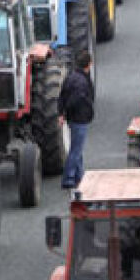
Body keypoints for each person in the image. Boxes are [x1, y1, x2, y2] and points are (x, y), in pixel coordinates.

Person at [59, 50, 94, 189]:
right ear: (89, 64)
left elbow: (62, 96)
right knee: (76, 150)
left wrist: (62, 112)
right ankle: (68, 178)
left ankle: (80, 176)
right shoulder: (82, 82)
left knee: (77, 148)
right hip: (80, 118)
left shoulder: (70, 77)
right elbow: (78, 98)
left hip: (72, 119)